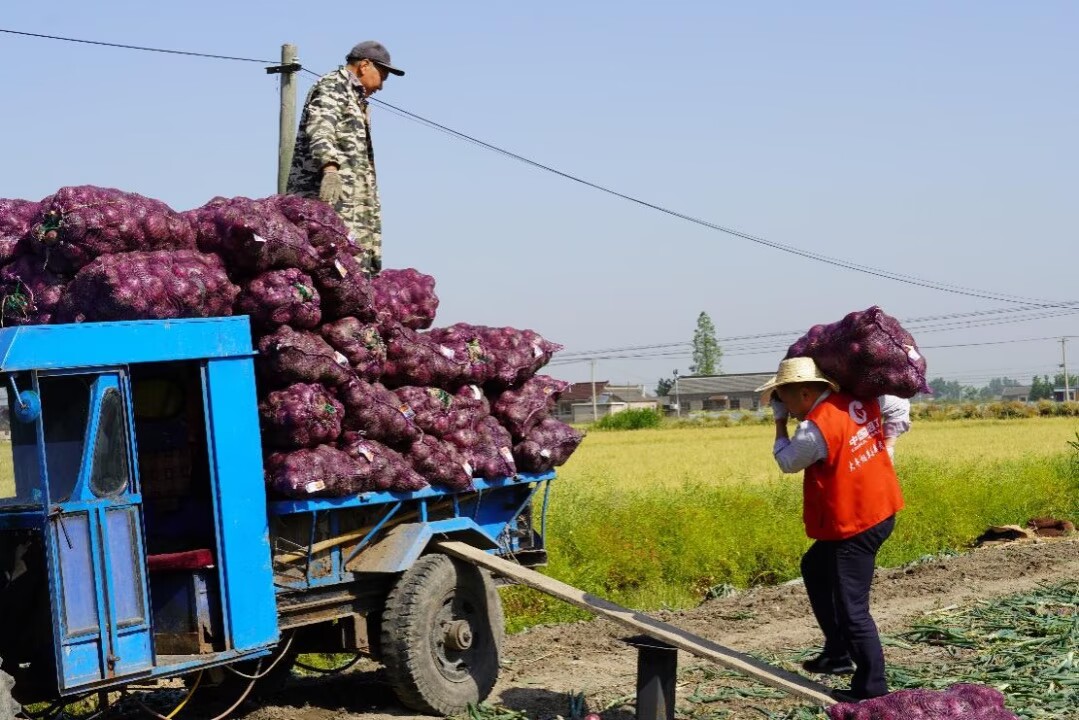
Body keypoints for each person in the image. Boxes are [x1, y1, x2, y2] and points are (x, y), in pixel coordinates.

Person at [756, 357, 910, 700]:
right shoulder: (859, 398)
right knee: (814, 566)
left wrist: (779, 425)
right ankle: (837, 652)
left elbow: (787, 462)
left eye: (785, 398)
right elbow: (898, 403)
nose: (785, 407)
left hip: (856, 523)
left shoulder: (814, 429)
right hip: (880, 509)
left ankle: (872, 690)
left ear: (806, 392)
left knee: (853, 610)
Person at [287, 40, 405, 274]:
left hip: (351, 212)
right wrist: (330, 168)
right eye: (382, 76)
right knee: (327, 270)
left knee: (351, 276)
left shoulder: (354, 98)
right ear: (364, 65)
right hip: (327, 210)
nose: (381, 86)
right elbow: (320, 128)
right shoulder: (334, 86)